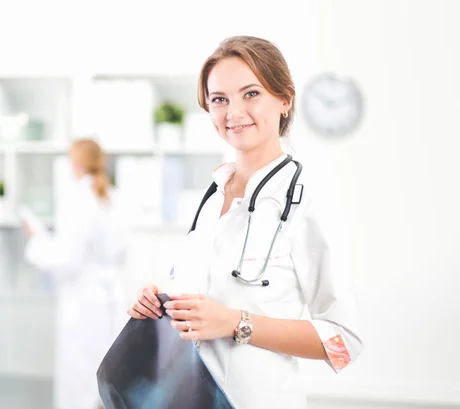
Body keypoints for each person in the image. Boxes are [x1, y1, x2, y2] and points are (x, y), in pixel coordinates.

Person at [127, 36, 364, 408]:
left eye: (250, 94)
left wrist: (237, 322)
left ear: (285, 99)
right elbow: (203, 306)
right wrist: (159, 304)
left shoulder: (306, 202)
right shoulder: (211, 195)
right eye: (219, 99)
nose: (233, 112)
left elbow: (343, 342)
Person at [23, 138, 127, 409]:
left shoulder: (78, 199)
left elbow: (67, 259)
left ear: (76, 162)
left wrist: (37, 240)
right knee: (107, 380)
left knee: (79, 382)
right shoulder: (112, 196)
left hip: (83, 303)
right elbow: (120, 251)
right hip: (111, 299)